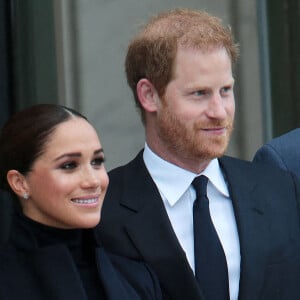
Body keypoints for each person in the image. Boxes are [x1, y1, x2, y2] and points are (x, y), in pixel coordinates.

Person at [97, 8, 300, 300]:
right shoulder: (103, 210)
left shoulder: (279, 190)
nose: (219, 112)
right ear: (149, 95)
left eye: (226, 91)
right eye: (199, 94)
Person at [0, 104, 162, 300]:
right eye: (69, 165)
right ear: (20, 183)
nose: (93, 181)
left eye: (97, 161)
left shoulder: (137, 279)